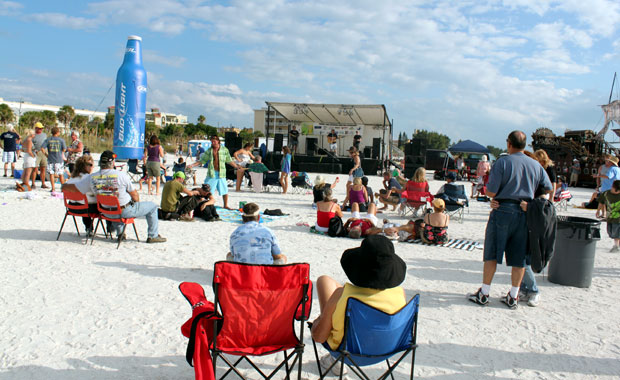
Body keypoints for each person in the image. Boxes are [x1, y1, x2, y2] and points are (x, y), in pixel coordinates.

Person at [468, 131, 552, 309]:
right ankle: (513, 296)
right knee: (520, 258)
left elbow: (490, 191)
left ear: (509, 143)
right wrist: (532, 204)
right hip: (524, 211)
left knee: (491, 253)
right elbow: (547, 188)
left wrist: (496, 197)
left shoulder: (503, 162)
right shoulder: (536, 165)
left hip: (502, 209)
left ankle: (484, 293)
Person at [311, 235, 406, 369]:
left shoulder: (342, 296)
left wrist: (317, 322)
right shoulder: (400, 294)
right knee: (327, 282)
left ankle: (335, 361)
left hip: (346, 351)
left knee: (324, 281)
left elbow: (319, 337)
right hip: (387, 349)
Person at [62, 150, 166, 243]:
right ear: (112, 162)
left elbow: (75, 187)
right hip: (122, 211)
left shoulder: (92, 177)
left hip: (105, 212)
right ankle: (153, 235)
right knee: (152, 206)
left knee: (116, 205)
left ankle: (121, 233)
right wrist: (136, 204)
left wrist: (64, 186)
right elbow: (134, 194)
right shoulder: (121, 175)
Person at [190, 135, 242, 209]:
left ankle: (226, 205)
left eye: (214, 141)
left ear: (218, 141)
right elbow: (202, 161)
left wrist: (236, 166)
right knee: (206, 190)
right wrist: (192, 165)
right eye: (211, 141)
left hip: (222, 173)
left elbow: (229, 160)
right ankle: (205, 204)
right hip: (212, 173)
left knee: (225, 190)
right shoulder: (209, 150)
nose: (213, 143)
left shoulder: (224, 150)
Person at [64, 155, 97, 236]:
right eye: (91, 165)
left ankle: (88, 228)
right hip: (85, 209)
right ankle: (110, 228)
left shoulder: (71, 179)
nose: (92, 167)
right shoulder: (89, 178)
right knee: (105, 204)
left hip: (71, 208)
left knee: (84, 202)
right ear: (84, 166)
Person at [42, 126, 67, 193]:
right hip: (59, 159)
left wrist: (46, 155)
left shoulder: (48, 140)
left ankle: (53, 188)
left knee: (51, 174)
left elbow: (42, 148)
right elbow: (64, 149)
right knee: (61, 174)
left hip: (50, 159)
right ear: (57, 132)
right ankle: (62, 188)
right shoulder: (61, 140)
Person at [597, 180, 620, 252]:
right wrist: (598, 211)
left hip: (618, 218)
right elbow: (601, 202)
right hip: (610, 217)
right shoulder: (606, 193)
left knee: (616, 232)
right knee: (610, 232)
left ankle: (616, 246)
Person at [32, 122, 48, 189]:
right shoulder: (33, 135)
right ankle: (33, 183)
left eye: (41, 128)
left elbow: (46, 143)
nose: (41, 130)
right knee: (35, 169)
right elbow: (30, 144)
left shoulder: (44, 135)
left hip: (43, 152)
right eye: (39, 128)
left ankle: (43, 183)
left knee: (43, 168)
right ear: (36, 128)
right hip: (36, 153)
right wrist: (34, 150)